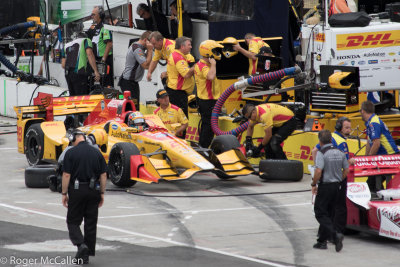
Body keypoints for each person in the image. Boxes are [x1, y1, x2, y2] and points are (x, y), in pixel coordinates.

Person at [61, 129, 107, 264]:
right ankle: (85, 255)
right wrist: (102, 193)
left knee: (73, 221)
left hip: (77, 190)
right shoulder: (96, 152)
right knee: (90, 223)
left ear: (75, 138)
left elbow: (66, 175)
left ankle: (81, 245)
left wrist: (64, 193)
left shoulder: (71, 152)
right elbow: (103, 175)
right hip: (94, 190)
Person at [311, 117, 352, 235]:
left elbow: (314, 151)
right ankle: (337, 232)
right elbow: (346, 165)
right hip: (337, 178)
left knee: (326, 207)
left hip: (325, 178)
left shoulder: (330, 137)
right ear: (339, 127)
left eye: (350, 127)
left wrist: (318, 166)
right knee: (340, 206)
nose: (349, 130)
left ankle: (324, 233)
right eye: (346, 127)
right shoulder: (341, 142)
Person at [360, 100, 399, 192]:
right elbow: (369, 143)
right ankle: (380, 195)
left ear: (362, 111)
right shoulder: (371, 122)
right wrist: (366, 158)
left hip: (389, 155)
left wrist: (368, 160)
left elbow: (376, 143)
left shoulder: (374, 123)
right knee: (373, 182)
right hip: (384, 156)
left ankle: (382, 199)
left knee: (372, 183)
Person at [194, 40, 223, 148]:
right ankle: (203, 148)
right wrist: (214, 65)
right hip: (207, 100)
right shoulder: (203, 65)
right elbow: (210, 77)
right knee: (209, 126)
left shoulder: (205, 64)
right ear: (208, 52)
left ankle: (203, 146)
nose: (217, 53)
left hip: (209, 99)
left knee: (208, 125)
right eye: (215, 51)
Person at [119, 31, 153, 111]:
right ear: (145, 40)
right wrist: (150, 51)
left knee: (135, 107)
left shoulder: (139, 47)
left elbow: (148, 65)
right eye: (151, 43)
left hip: (133, 82)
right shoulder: (137, 48)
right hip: (128, 82)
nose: (152, 46)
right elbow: (145, 65)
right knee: (133, 108)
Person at [166, 36, 195, 117]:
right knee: (182, 119)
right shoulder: (178, 57)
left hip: (176, 92)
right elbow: (186, 74)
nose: (191, 47)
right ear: (182, 46)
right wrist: (197, 66)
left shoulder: (177, 55)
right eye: (189, 45)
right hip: (178, 94)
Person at [87, 6, 113, 87]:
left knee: (104, 83)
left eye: (93, 14)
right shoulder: (93, 26)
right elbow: (87, 38)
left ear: (100, 15)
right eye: (91, 14)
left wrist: (103, 59)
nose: (92, 16)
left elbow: (109, 43)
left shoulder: (105, 26)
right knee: (93, 83)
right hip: (94, 60)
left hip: (103, 60)